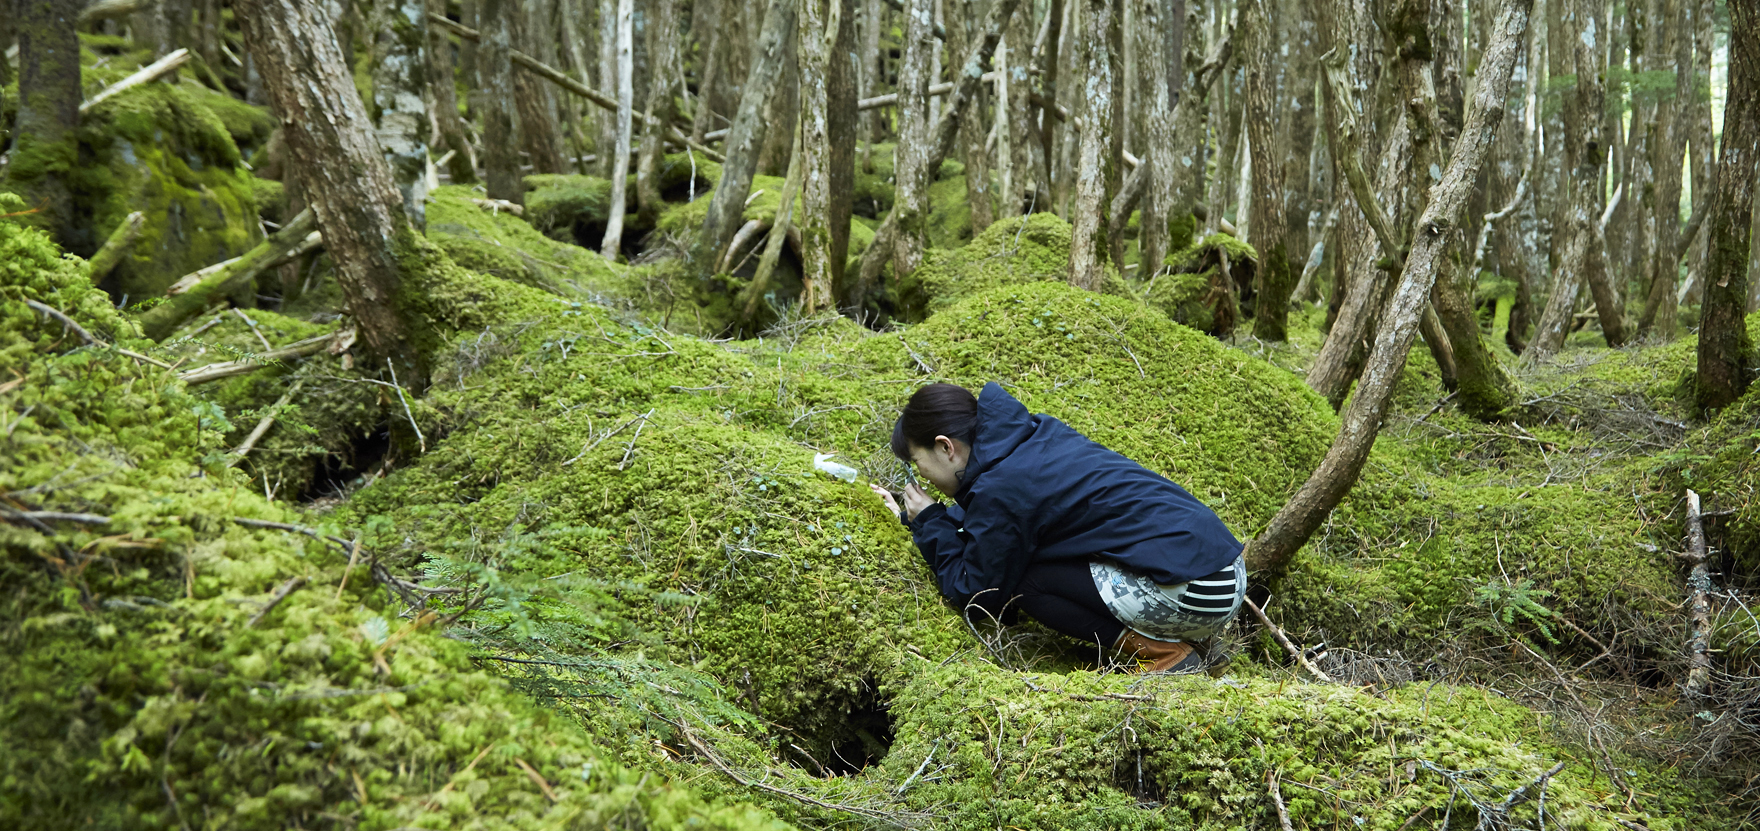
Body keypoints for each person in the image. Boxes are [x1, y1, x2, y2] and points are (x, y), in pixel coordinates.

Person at [870, 382, 1246, 673]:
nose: (925, 478)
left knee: (1024, 583)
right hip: (1224, 570)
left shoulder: (1003, 486)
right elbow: (997, 527)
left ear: (946, 447)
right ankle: (1189, 642)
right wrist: (918, 518)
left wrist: (931, 523)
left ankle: (1166, 655)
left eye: (919, 464)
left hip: (1198, 590)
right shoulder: (1032, 437)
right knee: (1024, 561)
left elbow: (977, 593)